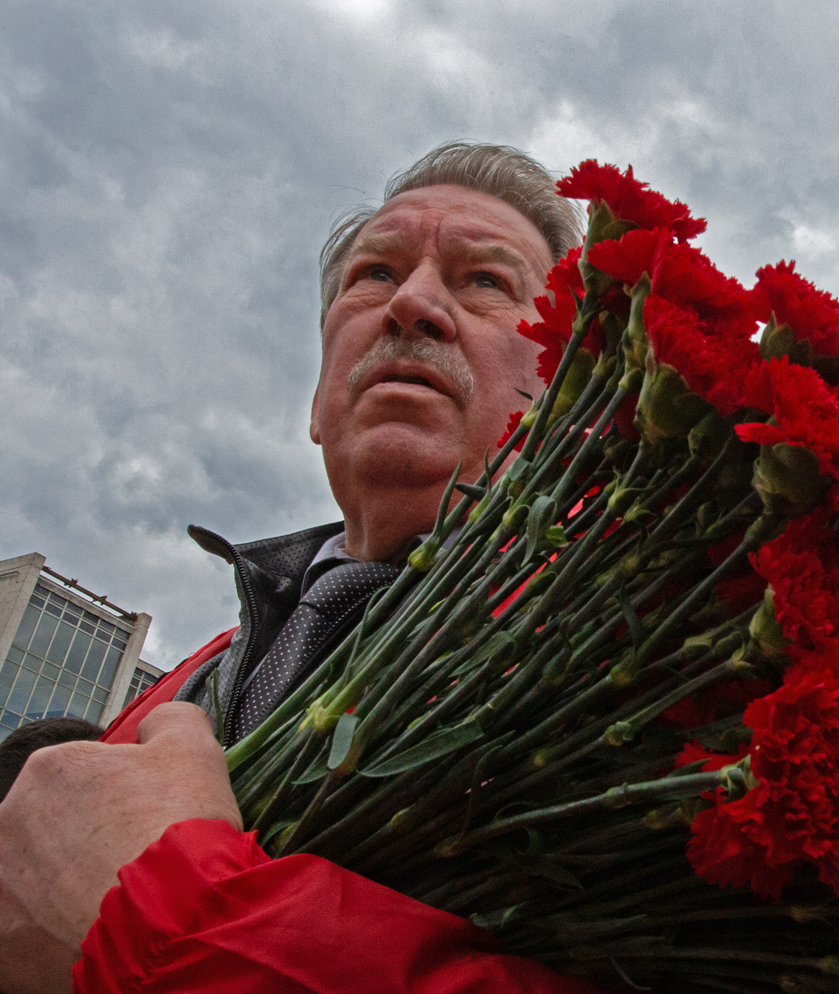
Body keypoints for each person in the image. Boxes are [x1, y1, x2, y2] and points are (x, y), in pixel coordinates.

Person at [0, 142, 604, 994]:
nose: (413, 304)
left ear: (571, 395)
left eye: (484, 282)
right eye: (376, 273)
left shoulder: (635, 657)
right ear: (319, 400)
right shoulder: (189, 682)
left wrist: (172, 927)